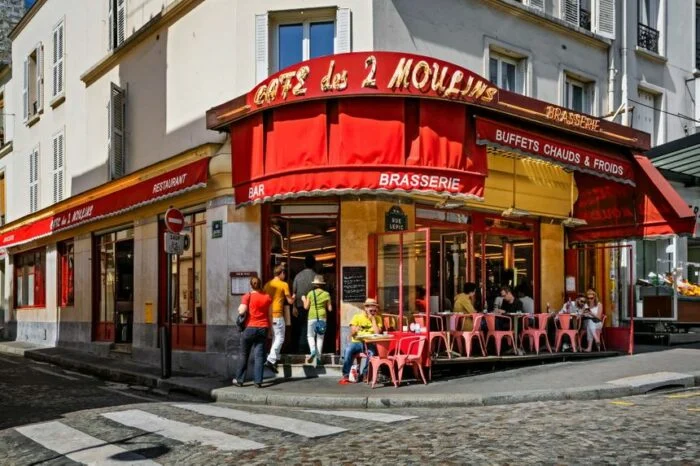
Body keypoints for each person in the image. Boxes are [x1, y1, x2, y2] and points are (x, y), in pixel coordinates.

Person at [232, 276, 272, 388]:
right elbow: (270, 315)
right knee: (259, 356)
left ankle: (239, 380)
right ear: (261, 284)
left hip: (249, 328)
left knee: (244, 354)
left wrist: (241, 307)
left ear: (251, 285)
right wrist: (270, 330)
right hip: (263, 328)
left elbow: (241, 311)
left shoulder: (247, 296)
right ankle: (258, 381)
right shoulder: (267, 297)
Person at [339, 298, 383, 385]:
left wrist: (373, 320)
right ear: (365, 308)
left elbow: (377, 333)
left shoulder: (378, 318)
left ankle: (365, 374)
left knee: (372, 353)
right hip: (357, 342)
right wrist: (355, 330)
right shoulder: (357, 317)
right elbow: (351, 333)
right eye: (371, 309)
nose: (373, 311)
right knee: (348, 350)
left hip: (370, 342)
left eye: (375, 309)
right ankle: (346, 374)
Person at [263, 265, 295, 373]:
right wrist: (294, 296)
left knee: (275, 338)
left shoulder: (267, 285)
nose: (284, 275)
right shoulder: (284, 284)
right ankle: (270, 360)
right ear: (281, 273)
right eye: (284, 273)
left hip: (269, 314)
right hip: (278, 315)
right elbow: (290, 301)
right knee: (280, 338)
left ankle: (274, 360)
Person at [302, 274, 332, 365]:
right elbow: (330, 309)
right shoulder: (326, 294)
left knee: (310, 336)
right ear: (322, 284)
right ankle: (318, 358)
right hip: (322, 317)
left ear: (315, 284)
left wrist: (303, 299)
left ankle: (313, 351)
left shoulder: (310, 293)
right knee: (320, 337)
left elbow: (306, 307)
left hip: (311, 317)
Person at [293, 255, 317, 354]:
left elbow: (293, 293)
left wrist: (293, 307)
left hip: (299, 306)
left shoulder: (298, 276)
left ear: (304, 264)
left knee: (302, 328)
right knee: (311, 330)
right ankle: (307, 349)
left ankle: (301, 349)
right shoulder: (316, 276)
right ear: (314, 264)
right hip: (313, 307)